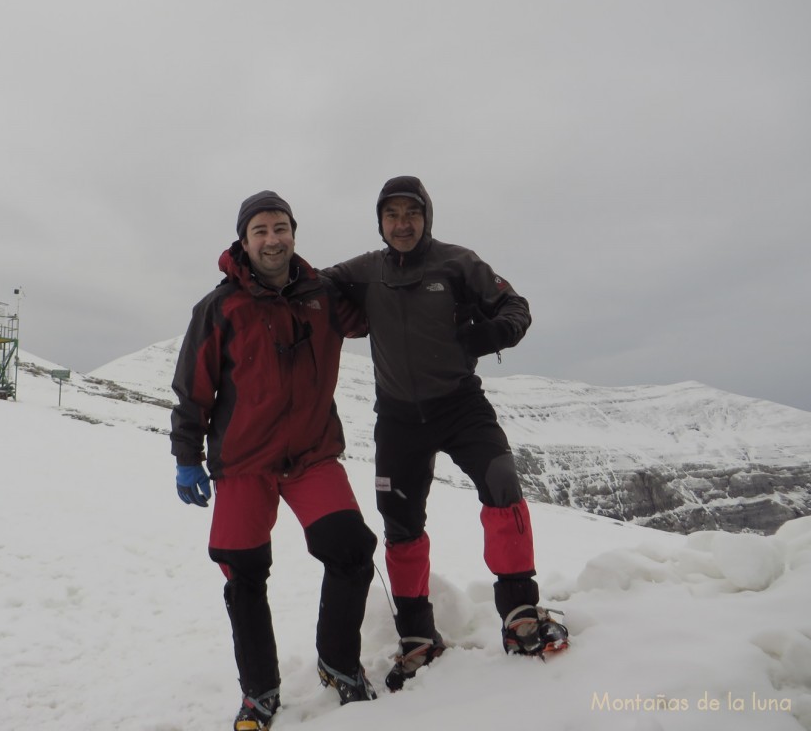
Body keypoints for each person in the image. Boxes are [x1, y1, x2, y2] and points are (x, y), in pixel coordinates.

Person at [321, 175, 568, 691]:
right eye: (392, 215)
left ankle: (519, 609)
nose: (402, 224)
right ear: (381, 222)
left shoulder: (458, 263)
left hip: (460, 404)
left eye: (412, 213)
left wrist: (492, 332)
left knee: (501, 482)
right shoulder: (366, 270)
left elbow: (515, 308)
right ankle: (417, 637)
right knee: (399, 521)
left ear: (426, 216)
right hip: (398, 419)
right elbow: (311, 284)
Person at [171, 190, 379, 731]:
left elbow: (382, 310)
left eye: (281, 227)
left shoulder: (324, 297)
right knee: (243, 576)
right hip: (244, 463)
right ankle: (259, 693)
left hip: (311, 456)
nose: (272, 238)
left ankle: (337, 662)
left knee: (352, 550)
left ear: (294, 234)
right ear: (244, 240)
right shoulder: (219, 309)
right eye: (260, 229)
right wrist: (186, 457)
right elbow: (192, 390)